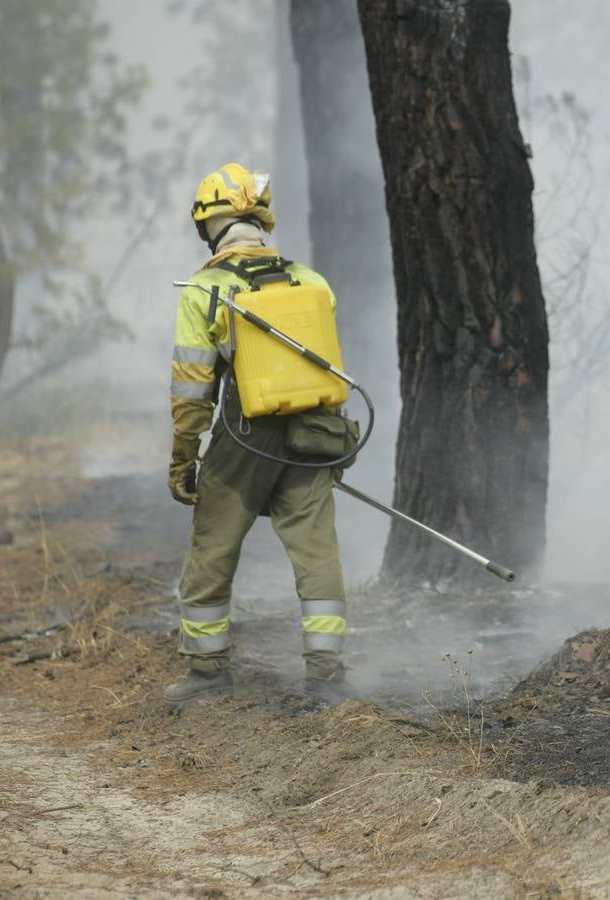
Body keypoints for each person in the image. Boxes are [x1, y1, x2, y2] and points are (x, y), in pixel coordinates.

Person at [164, 163, 350, 703]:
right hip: (314, 434)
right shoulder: (313, 283)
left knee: (213, 549)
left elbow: (192, 390)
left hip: (244, 437)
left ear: (210, 224)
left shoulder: (205, 290)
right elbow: (329, 370)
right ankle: (326, 677)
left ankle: (206, 675)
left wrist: (183, 458)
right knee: (317, 553)